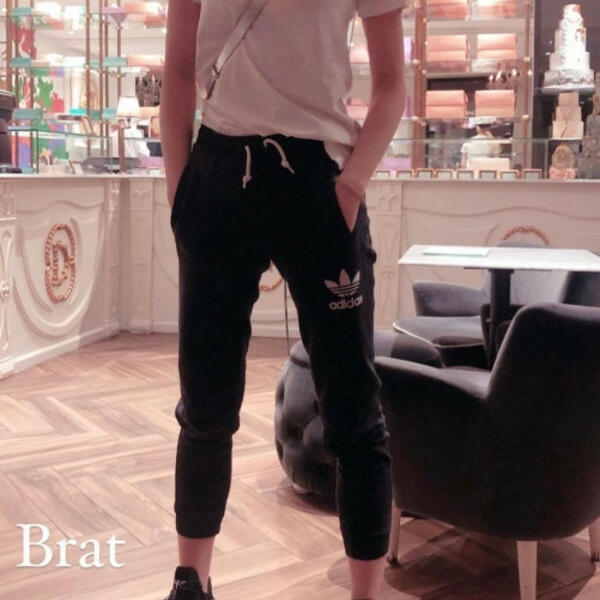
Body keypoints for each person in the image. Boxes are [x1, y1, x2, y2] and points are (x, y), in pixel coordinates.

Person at [160, 1, 407, 599]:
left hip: (319, 179)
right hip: (220, 172)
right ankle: (191, 581)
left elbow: (393, 83)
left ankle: (365, 594)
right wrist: (182, 197)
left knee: (352, 403)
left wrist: (351, 185)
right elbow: (179, 72)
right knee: (205, 398)